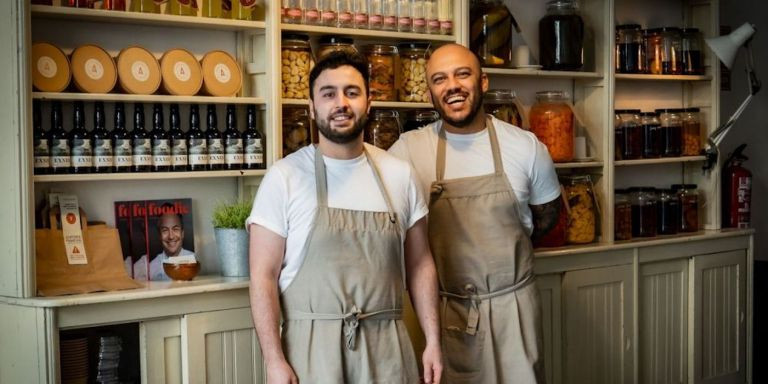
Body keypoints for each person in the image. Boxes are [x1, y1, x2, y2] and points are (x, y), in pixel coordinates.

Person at [247, 51, 443, 384]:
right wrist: (273, 360)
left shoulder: (399, 175)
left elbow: (421, 264)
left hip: (388, 349)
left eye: (352, 92)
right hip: (310, 351)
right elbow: (262, 277)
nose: (341, 103)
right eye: (328, 94)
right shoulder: (285, 178)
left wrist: (433, 341)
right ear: (312, 107)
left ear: (369, 102)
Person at [389, 43, 562, 383]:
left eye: (462, 74)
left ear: (483, 83)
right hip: (441, 313)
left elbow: (547, 218)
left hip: (513, 308)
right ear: (430, 94)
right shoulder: (409, 151)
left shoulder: (525, 147)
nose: (451, 85)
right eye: (439, 79)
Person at [134, 210, 196, 281]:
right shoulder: (150, 267)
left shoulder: (195, 259)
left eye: (175, 229)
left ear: (182, 234)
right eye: (165, 230)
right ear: (159, 236)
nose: (171, 236)